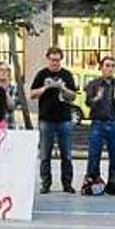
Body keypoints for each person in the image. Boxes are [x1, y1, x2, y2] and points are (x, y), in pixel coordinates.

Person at [30, 46, 77, 194]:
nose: (55, 63)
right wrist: (45, 87)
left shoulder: (67, 74)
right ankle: (46, 183)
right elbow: (32, 94)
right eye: (52, 60)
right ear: (48, 59)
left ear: (61, 60)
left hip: (64, 119)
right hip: (46, 119)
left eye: (57, 60)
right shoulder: (41, 74)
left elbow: (73, 96)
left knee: (67, 154)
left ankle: (67, 184)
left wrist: (63, 89)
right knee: (45, 153)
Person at [83, 57, 115, 190]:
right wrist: (96, 98)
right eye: (107, 65)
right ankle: (93, 179)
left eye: (112, 66)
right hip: (98, 123)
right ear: (101, 67)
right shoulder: (94, 84)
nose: (110, 69)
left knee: (114, 155)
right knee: (94, 153)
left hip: (114, 123)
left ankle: (113, 181)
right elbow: (87, 102)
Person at [0, 61, 18, 128]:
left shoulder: (13, 88)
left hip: (8, 124)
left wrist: (4, 91)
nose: (4, 72)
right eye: (1, 70)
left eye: (7, 70)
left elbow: (12, 106)